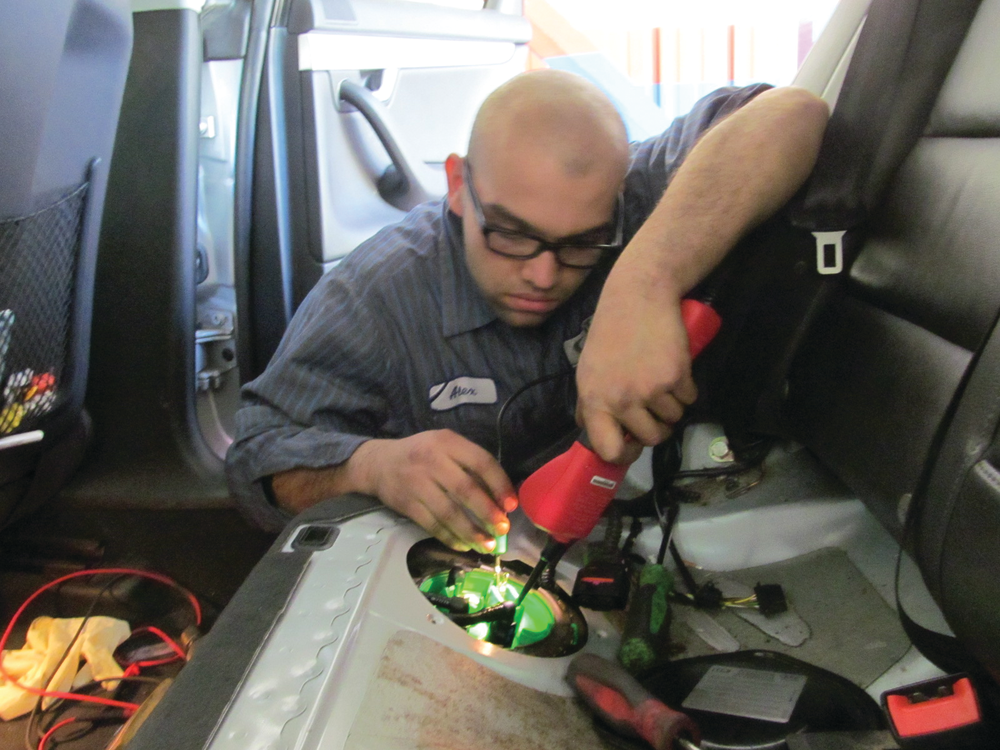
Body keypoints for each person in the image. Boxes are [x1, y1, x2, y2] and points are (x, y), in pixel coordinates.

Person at [226, 70, 829, 554]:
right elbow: (258, 461)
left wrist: (641, 284)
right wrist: (370, 466)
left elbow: (792, 114)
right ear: (460, 185)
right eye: (511, 235)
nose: (543, 276)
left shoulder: (641, 196)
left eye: (580, 244)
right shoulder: (371, 300)